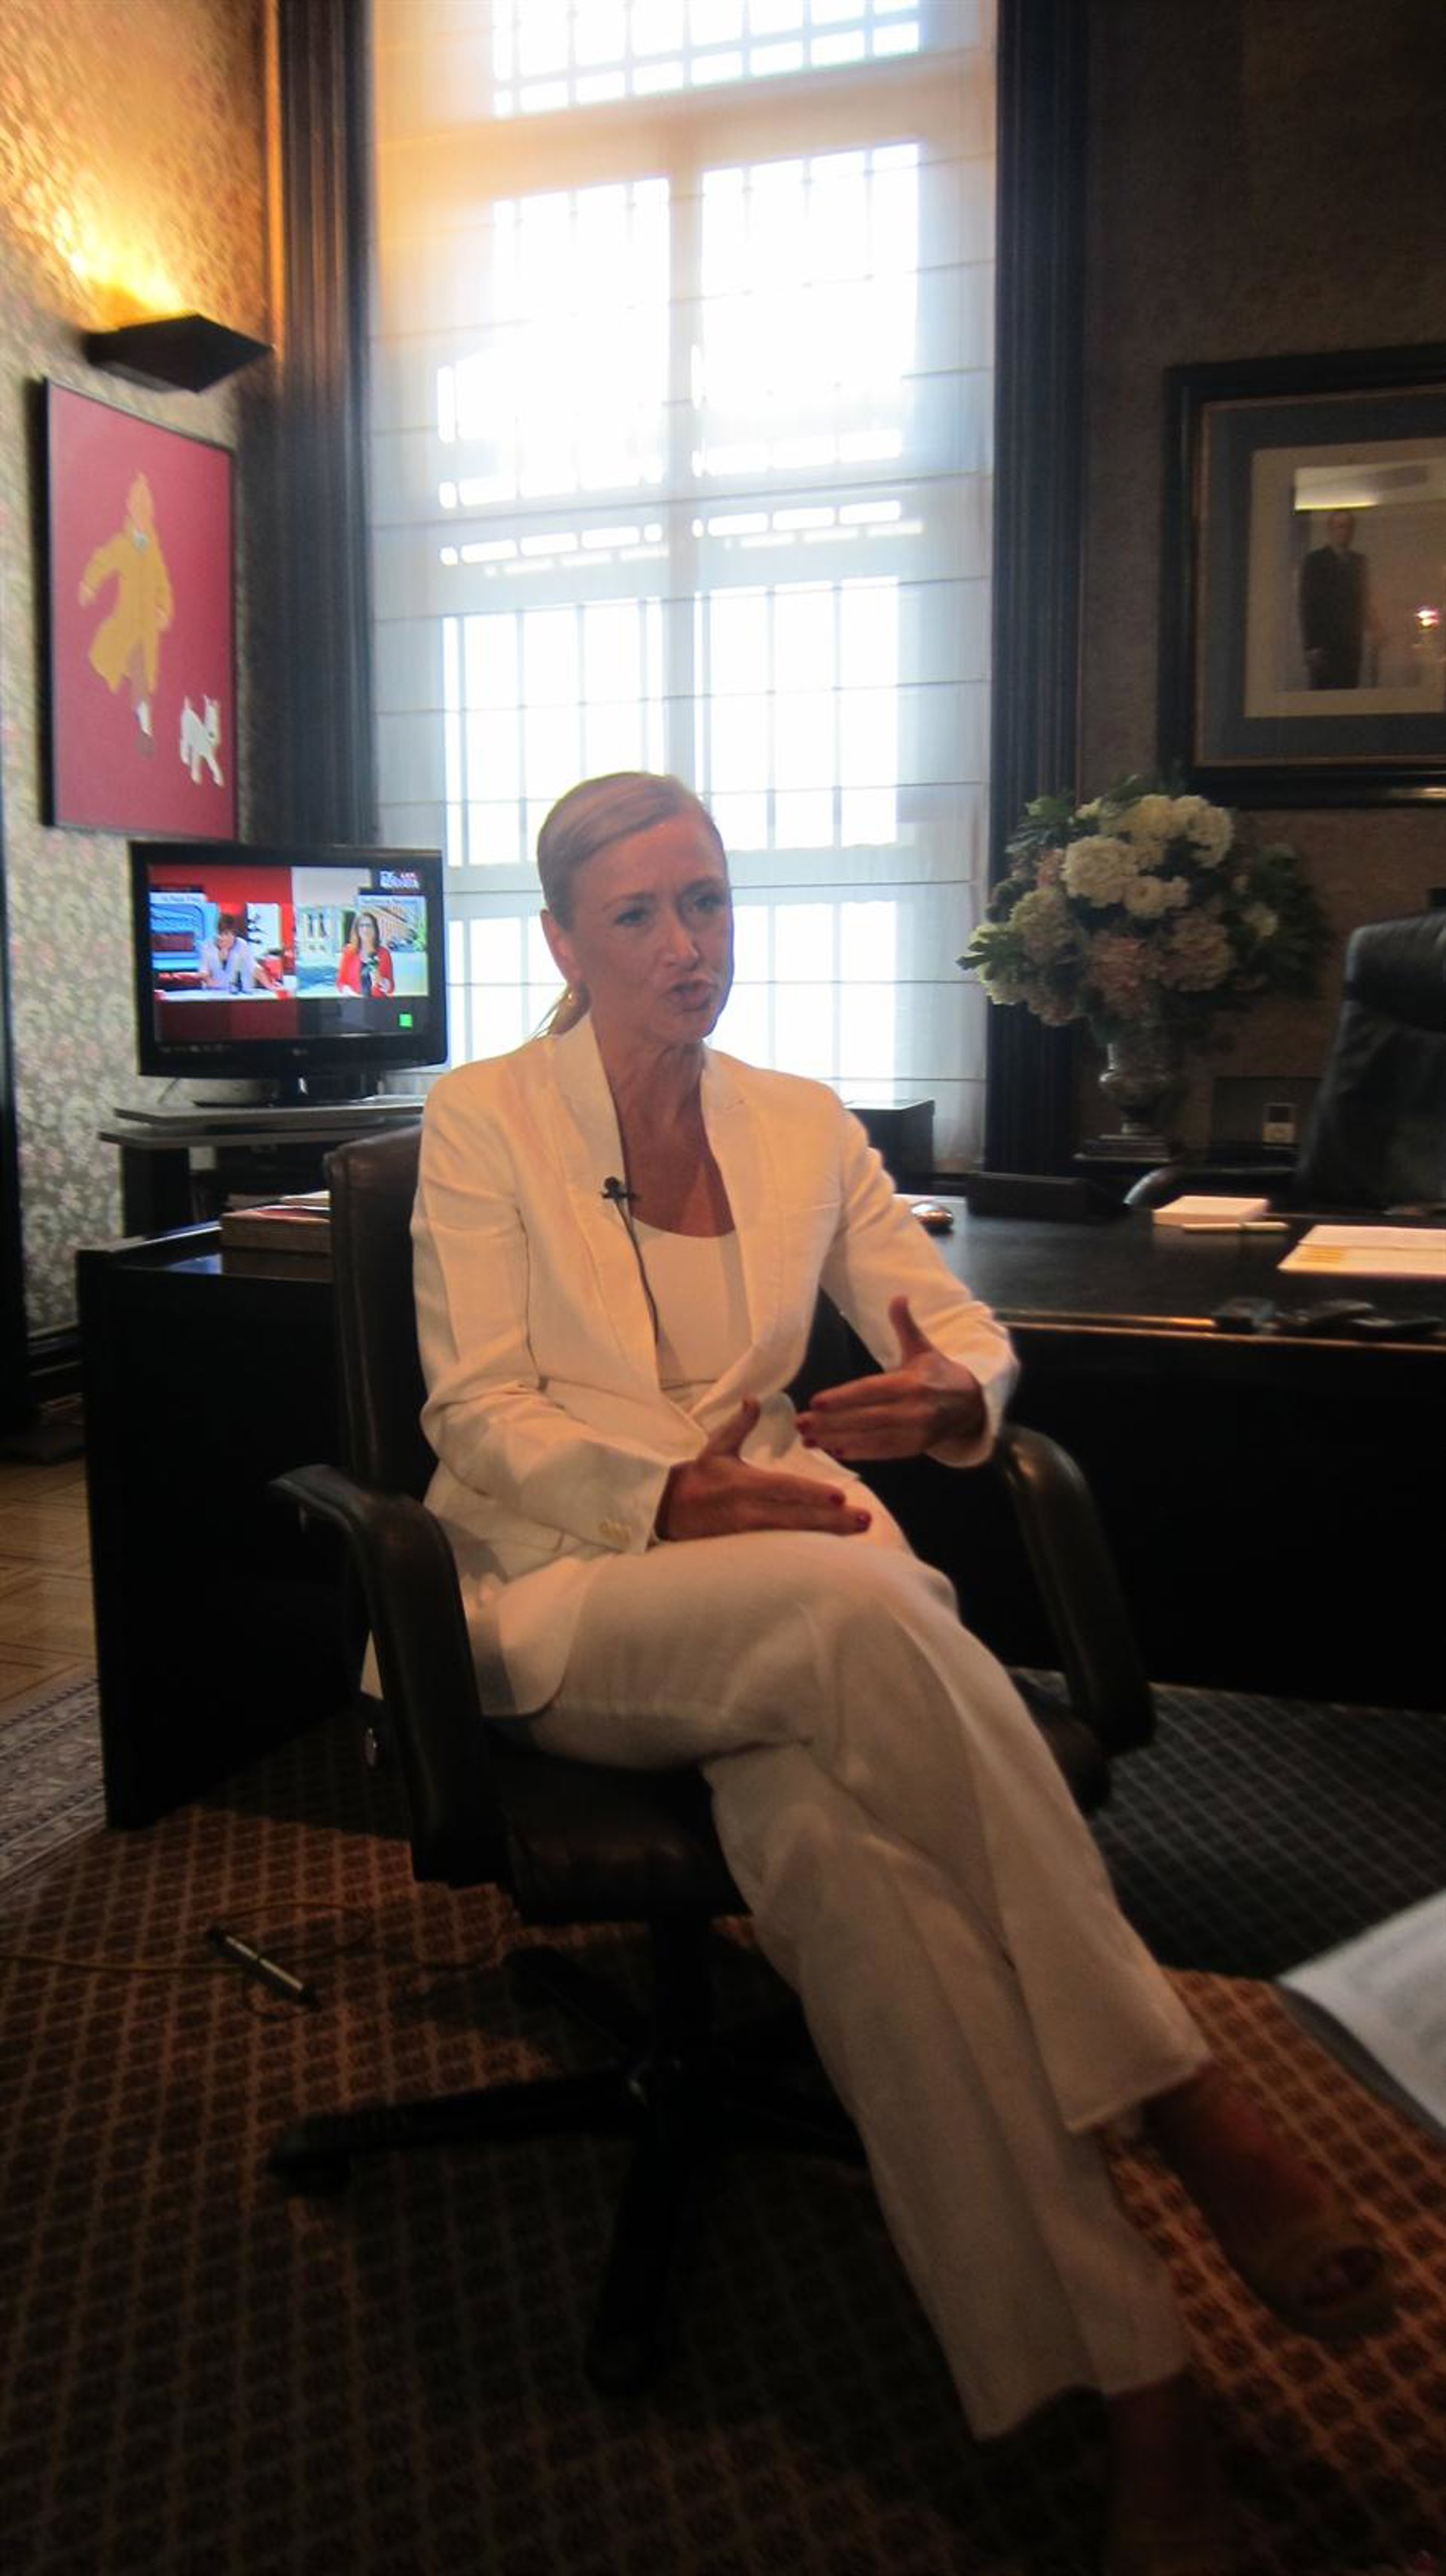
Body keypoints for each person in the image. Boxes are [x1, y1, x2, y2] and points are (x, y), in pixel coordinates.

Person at [412, 773, 1393, 2575]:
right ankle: (1181, 2087)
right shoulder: (483, 1120)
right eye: (636, 914)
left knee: (871, 1895)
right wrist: (668, 1491)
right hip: (571, 1591)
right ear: (561, 940)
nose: (686, 945)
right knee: (865, 1606)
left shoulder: (801, 1125)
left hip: (795, 1597)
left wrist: (958, 1389)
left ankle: (1144, 2393)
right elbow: (475, 1411)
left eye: (707, 900)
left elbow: (955, 1321)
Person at [77, 471, 174, 748]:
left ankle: (144, 731)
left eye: (147, 509)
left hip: (146, 631)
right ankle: (98, 723)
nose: (143, 514)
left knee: (141, 680)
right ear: (131, 508)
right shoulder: (124, 545)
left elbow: (164, 586)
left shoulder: (155, 552)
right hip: (125, 625)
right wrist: (89, 584)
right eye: (138, 507)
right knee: (106, 666)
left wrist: (164, 611)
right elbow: (103, 561)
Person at [1298, 508, 1383, 689]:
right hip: (1324, 644)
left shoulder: (1359, 562)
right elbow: (1308, 604)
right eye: (1340, 526)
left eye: (1349, 527)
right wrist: (1311, 645)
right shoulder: (1315, 561)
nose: (1345, 532)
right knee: (1323, 693)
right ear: (1330, 529)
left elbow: (1363, 599)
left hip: (1351, 643)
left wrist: (1375, 628)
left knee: (1349, 689)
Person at [336, 910, 395, 998]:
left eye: (369, 925)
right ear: (357, 929)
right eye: (361, 925)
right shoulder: (349, 952)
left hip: (378, 1003)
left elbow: (391, 988)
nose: (365, 929)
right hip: (354, 1002)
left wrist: (382, 981)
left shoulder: (384, 954)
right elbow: (341, 983)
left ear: (375, 929)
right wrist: (352, 994)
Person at [198, 912, 261, 992]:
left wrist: (270, 986)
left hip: (235, 992)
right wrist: (209, 981)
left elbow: (253, 967)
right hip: (212, 992)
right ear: (219, 933)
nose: (230, 937)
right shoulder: (207, 946)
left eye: (233, 934)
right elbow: (203, 970)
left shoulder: (241, 944)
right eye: (225, 933)